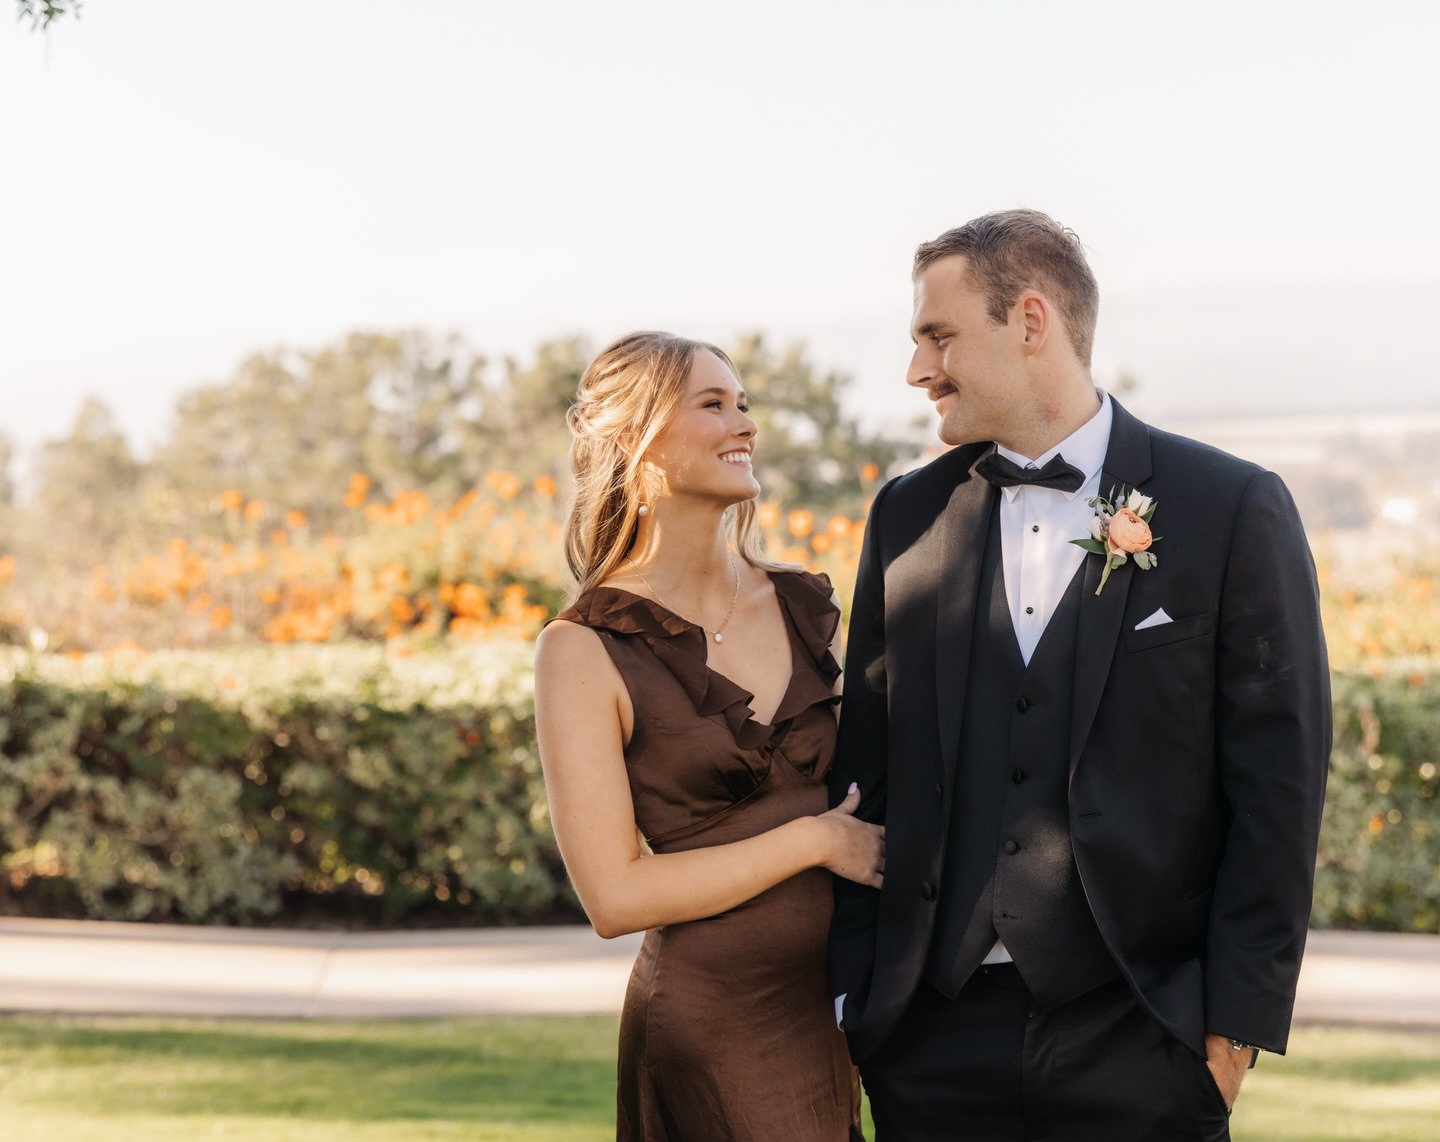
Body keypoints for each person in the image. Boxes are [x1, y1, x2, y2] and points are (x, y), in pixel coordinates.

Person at [829, 209, 1331, 1140]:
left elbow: (1279, 783)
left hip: (1145, 1035)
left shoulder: (1229, 506)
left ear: (1029, 322)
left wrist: (1232, 1035)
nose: (917, 372)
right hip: (929, 1044)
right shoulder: (904, 514)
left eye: (938, 337)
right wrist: (863, 1006)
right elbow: (868, 768)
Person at [534, 331, 880, 1141]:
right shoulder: (582, 649)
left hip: (837, 1010)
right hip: (716, 1025)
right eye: (713, 405)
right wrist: (815, 843)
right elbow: (615, 898)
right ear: (634, 441)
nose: (744, 424)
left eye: (745, 404)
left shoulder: (801, 605)